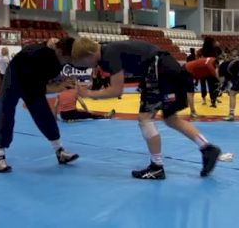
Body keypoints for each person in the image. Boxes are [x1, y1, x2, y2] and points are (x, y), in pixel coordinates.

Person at [71, 38, 221, 179]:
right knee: (170, 118)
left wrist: (88, 94)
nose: (86, 66)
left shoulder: (108, 54)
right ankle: (207, 148)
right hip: (164, 68)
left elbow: (116, 91)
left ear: (90, 54)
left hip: (159, 70)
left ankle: (157, 166)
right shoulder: (108, 50)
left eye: (84, 62)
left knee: (145, 119)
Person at [0, 37, 79, 173]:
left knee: (44, 113)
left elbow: (41, 84)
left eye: (69, 59)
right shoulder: (37, 53)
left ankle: (60, 151)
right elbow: (35, 86)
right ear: (58, 50)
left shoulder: (59, 61)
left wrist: (58, 84)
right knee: (6, 110)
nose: (66, 61)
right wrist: (56, 88)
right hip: (15, 75)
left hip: (33, 80)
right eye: (65, 57)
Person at [186, 48, 197, 117]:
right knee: (190, 94)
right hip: (189, 78)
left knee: (190, 94)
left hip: (188, 77)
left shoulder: (188, 58)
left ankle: (192, 110)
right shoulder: (195, 59)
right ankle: (193, 111)